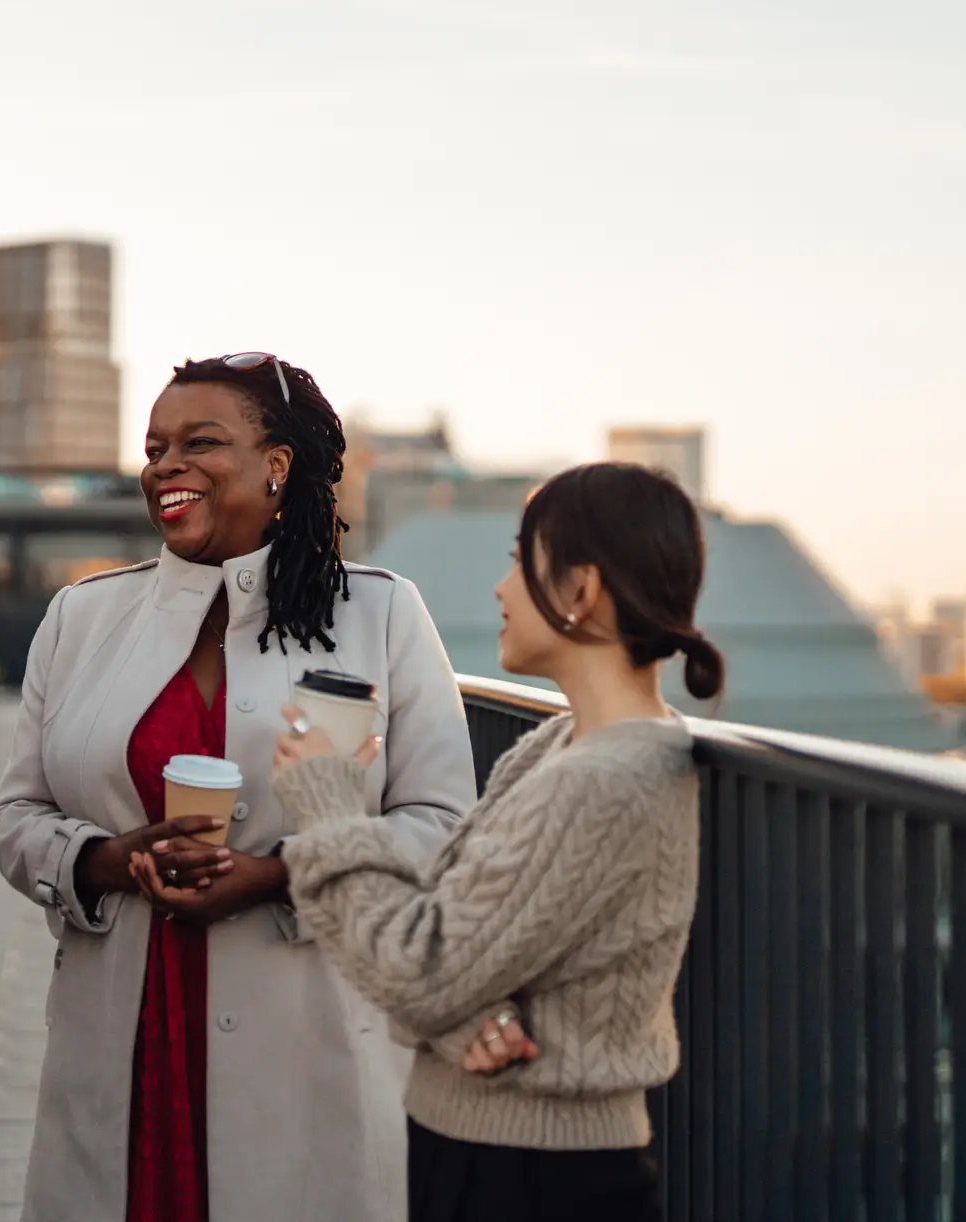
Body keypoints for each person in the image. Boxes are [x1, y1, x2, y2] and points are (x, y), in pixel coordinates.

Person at [0, 353, 480, 1222]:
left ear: (276, 464)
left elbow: (442, 827)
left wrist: (286, 873)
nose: (164, 466)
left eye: (199, 442)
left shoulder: (381, 615)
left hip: (307, 1036)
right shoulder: (82, 617)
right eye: (154, 447)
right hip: (122, 1039)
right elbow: (13, 815)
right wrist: (101, 860)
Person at [269, 462, 724, 1222]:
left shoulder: (605, 781)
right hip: (494, 1155)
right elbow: (445, 944)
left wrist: (327, 803)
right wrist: (457, 1018)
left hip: (539, 1176)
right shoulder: (558, 747)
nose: (500, 588)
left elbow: (416, 967)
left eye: (519, 559)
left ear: (579, 590)